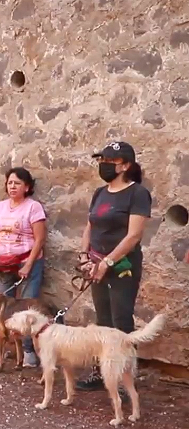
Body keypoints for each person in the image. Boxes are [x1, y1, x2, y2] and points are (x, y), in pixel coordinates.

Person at [76, 141, 151, 391]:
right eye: (101, 161)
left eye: (109, 161)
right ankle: (102, 370)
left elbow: (133, 235)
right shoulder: (100, 193)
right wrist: (85, 257)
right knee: (103, 318)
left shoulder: (137, 193)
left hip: (123, 265)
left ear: (125, 165)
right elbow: (90, 226)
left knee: (121, 319)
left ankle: (125, 378)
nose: (103, 166)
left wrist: (108, 261)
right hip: (96, 263)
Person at [0, 167, 47, 366]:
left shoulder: (33, 207)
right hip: (4, 264)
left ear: (27, 187)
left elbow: (40, 238)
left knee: (25, 308)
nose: (12, 186)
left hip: (26, 263)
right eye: (9, 182)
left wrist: (29, 265)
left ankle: (28, 351)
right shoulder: (1, 207)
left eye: (17, 183)